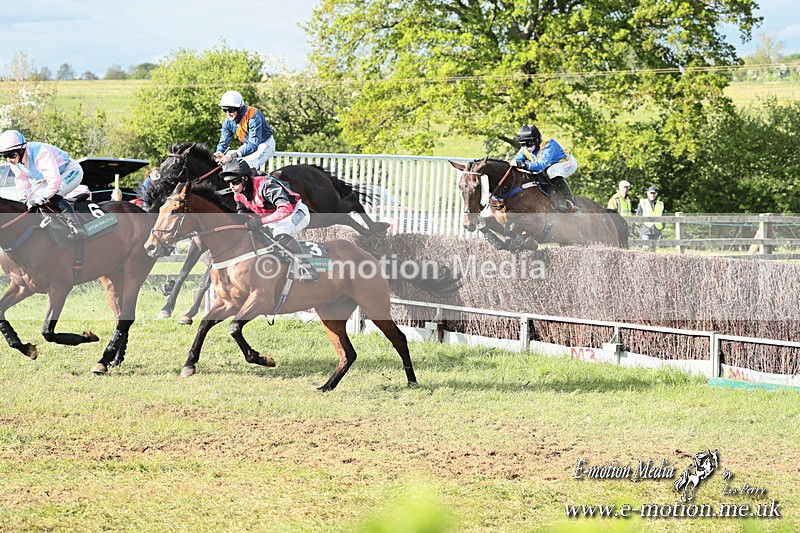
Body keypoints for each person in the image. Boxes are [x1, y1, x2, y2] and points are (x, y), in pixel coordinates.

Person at [220, 158, 318, 281]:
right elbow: (242, 213)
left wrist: (260, 222)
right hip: (274, 217)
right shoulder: (238, 194)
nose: (232, 187)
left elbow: (285, 209)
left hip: (296, 212)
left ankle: (308, 268)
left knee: (280, 232)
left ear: (245, 179)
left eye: (234, 182)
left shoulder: (266, 185)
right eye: (229, 183)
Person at [0, 129, 86, 240]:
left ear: (22, 150)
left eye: (11, 155)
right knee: (31, 200)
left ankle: (77, 227)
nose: (9, 160)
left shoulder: (41, 153)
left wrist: (41, 198)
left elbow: (54, 183)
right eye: (4, 156)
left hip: (70, 171)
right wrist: (24, 200)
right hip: (49, 177)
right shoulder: (15, 161)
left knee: (53, 195)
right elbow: (21, 181)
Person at [509, 124, 579, 213]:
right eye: (523, 144)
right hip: (550, 165)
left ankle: (571, 201)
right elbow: (515, 161)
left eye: (529, 143)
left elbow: (540, 166)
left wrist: (522, 165)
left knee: (551, 172)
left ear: (537, 140)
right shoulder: (524, 149)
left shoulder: (549, 145)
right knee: (536, 173)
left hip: (567, 163)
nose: (526, 146)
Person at [214, 90, 275, 172]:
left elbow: (253, 144)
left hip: (264, 144)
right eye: (225, 110)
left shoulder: (254, 116)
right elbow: (224, 142)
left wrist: (233, 155)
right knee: (228, 160)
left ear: (239, 108)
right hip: (248, 145)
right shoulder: (227, 121)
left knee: (247, 164)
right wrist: (218, 153)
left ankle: (258, 184)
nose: (228, 113)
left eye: (231, 110)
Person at [636, 186, 665, 251]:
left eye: (654, 193)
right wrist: (642, 225)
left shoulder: (661, 204)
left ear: (656, 194)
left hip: (657, 229)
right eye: (651, 193)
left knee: (654, 250)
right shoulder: (643, 202)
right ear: (647, 193)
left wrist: (663, 225)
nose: (652, 195)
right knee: (645, 249)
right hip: (646, 229)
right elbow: (638, 215)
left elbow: (664, 217)